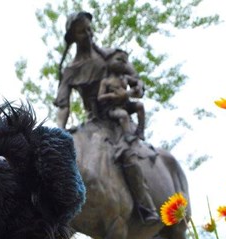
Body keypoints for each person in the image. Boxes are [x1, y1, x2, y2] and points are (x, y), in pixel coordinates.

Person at [54, 12, 159, 224]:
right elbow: (63, 106)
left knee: (127, 155)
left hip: (117, 122)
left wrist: (133, 89)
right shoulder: (71, 70)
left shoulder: (110, 56)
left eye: (90, 28)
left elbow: (137, 83)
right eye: (82, 31)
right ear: (73, 36)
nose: (88, 33)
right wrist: (58, 132)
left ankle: (145, 207)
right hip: (93, 122)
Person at [97, 48, 146, 142]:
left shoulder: (125, 78)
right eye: (118, 60)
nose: (122, 63)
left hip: (126, 104)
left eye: (124, 61)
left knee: (140, 106)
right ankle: (127, 135)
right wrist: (112, 96)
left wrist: (138, 86)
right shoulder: (106, 81)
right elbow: (100, 97)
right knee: (123, 114)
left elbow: (138, 82)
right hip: (112, 108)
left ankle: (140, 130)